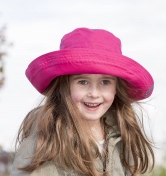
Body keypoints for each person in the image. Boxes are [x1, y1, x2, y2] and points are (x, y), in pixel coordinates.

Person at [10, 27, 155, 176]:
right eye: (82, 82)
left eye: (105, 82)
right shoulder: (45, 142)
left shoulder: (124, 135)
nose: (94, 93)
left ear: (116, 88)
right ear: (65, 87)